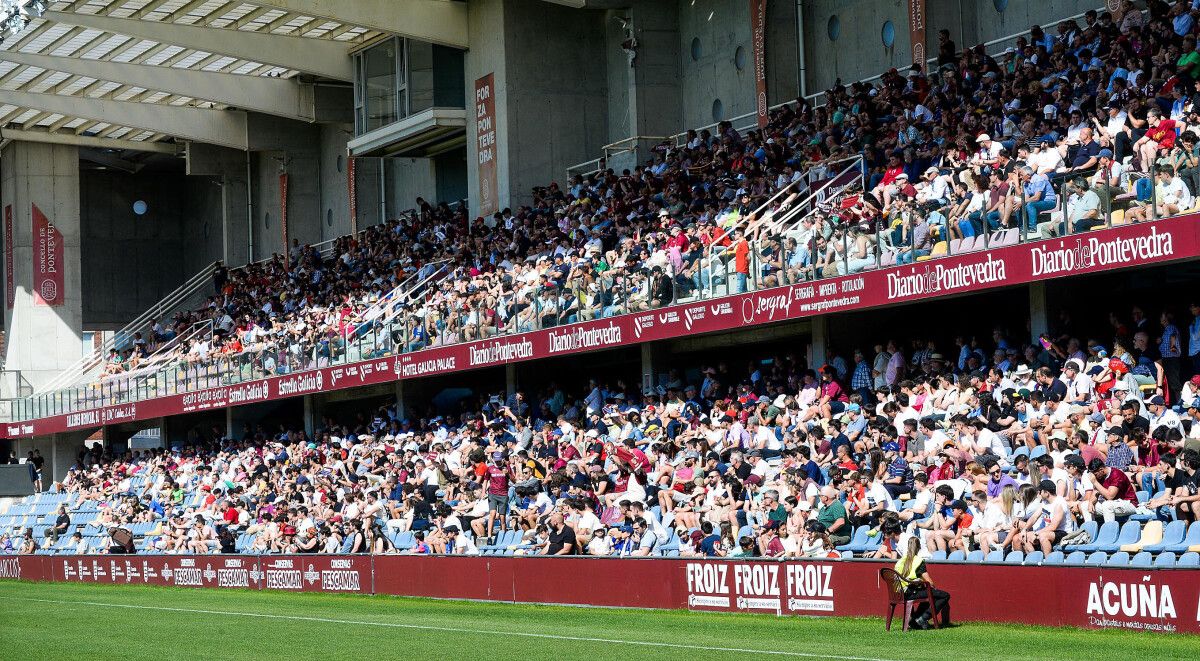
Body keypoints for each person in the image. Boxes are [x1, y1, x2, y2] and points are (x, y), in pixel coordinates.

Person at [893, 537, 951, 629]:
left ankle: (915, 620)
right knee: (944, 595)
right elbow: (929, 582)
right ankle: (923, 618)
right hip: (910, 592)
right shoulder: (918, 561)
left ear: (908, 546)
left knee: (928, 594)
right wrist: (933, 588)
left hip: (898, 593)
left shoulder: (900, 561)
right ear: (919, 547)